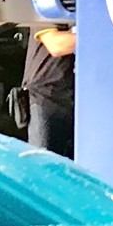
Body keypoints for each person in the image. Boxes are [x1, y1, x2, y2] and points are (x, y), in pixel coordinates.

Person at [23, 23, 76, 157]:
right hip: (46, 97)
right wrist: (101, 36)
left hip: (76, 97)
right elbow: (56, 45)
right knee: (43, 160)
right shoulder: (44, 13)